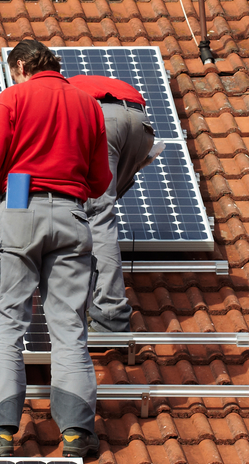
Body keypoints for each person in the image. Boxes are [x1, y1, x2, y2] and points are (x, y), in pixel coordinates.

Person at [0, 40, 112, 458]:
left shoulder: (14, 97)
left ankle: (1, 431)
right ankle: (77, 434)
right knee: (69, 327)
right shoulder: (88, 106)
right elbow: (100, 181)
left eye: (15, 71)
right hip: (73, 217)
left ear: (23, 65)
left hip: (20, 208)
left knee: (7, 323)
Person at [70, 74, 156, 333]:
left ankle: (111, 314)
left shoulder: (48, 92)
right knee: (98, 205)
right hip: (141, 124)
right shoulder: (73, 83)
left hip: (103, 121)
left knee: (96, 214)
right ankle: (97, 291)